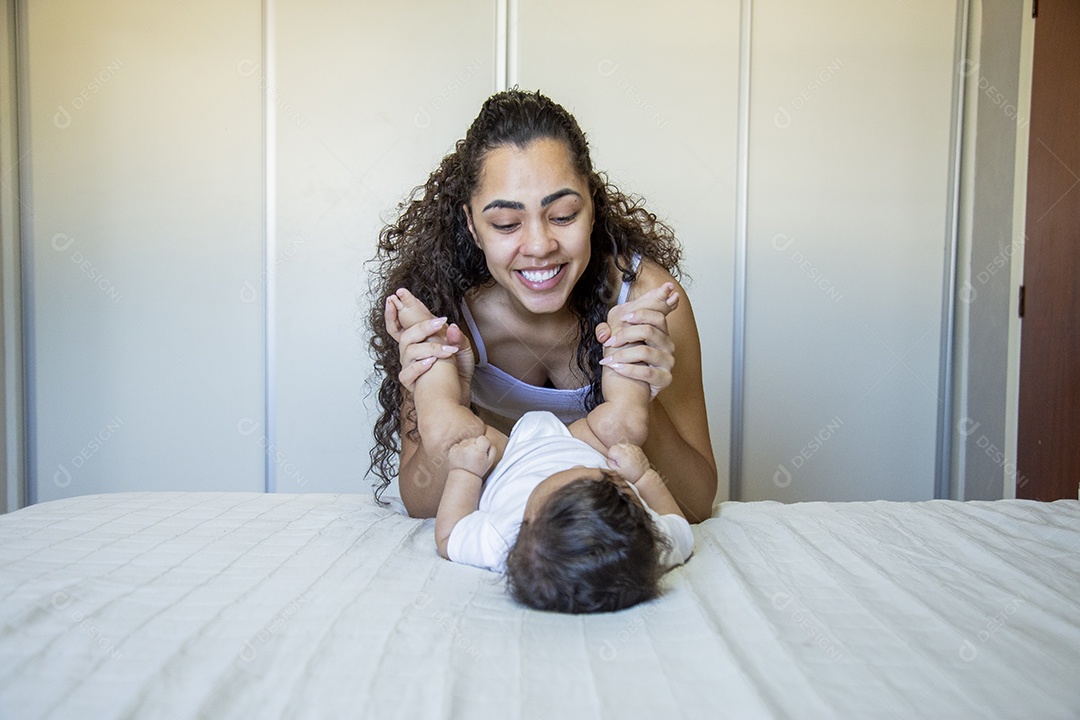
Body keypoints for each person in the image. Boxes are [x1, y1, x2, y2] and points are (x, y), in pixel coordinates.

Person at [368, 88, 716, 521]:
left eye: (564, 215)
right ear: (473, 228)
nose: (538, 245)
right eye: (506, 223)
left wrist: (645, 396)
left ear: (592, 206)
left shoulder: (649, 301)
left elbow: (696, 502)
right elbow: (421, 502)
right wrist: (449, 400)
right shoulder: (441, 310)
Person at [387, 287, 693, 613]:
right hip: (584, 442)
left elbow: (449, 537)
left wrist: (465, 471)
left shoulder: (504, 543)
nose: (570, 472)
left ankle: (430, 347)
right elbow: (678, 522)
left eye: (565, 484)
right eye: (611, 485)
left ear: (526, 526)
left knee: (446, 432)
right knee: (626, 425)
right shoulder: (647, 546)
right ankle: (629, 332)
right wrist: (642, 475)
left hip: (507, 458)